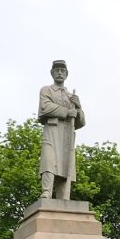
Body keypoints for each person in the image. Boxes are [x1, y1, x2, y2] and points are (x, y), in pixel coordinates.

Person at [37, 59, 84, 199]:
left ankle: (64, 196)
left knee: (65, 165)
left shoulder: (72, 97)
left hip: (67, 135)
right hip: (52, 130)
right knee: (49, 160)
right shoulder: (46, 90)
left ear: (66, 74)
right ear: (52, 73)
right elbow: (45, 107)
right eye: (56, 70)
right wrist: (66, 111)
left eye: (62, 71)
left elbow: (80, 122)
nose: (59, 73)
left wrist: (79, 107)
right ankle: (46, 191)